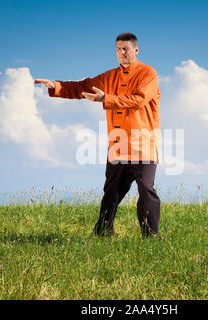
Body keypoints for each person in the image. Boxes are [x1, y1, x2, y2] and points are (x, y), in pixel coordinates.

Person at [34, 32, 161, 238]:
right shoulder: (109, 76)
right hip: (118, 146)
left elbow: (138, 100)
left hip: (143, 144)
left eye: (125, 49)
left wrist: (106, 99)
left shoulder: (148, 74)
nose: (121, 53)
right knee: (111, 193)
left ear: (136, 50)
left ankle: (151, 237)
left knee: (146, 190)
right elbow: (82, 87)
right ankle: (102, 234)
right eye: (118, 49)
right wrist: (57, 86)